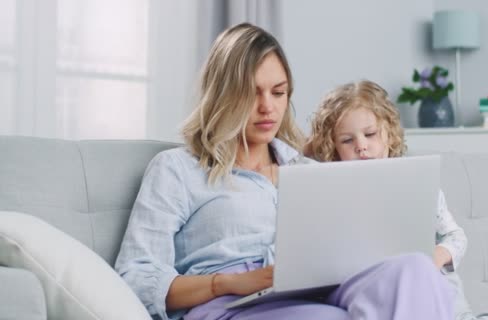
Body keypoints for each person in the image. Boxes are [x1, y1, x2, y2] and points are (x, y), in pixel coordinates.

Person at [114, 23, 454, 320]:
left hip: (321, 288)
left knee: (416, 269)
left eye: (278, 93)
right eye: (251, 94)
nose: (268, 107)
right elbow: (136, 277)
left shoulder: (310, 171)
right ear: (223, 96)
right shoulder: (177, 169)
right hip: (233, 302)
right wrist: (227, 282)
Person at [305, 80, 488, 320]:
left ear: (389, 134)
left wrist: (436, 256)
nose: (361, 146)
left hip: (442, 294)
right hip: (385, 296)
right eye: (347, 140)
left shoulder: (416, 183)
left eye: (370, 134)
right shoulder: (334, 193)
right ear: (333, 147)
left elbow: (456, 236)